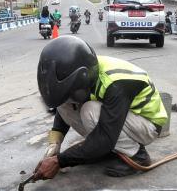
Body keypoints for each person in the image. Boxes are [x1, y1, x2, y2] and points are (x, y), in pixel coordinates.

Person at [34, 36, 169, 179]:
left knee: (90, 110)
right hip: (123, 120)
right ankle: (107, 150)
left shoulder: (117, 82)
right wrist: (54, 144)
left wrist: (59, 161)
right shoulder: (85, 67)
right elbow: (64, 108)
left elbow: (105, 136)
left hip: (147, 125)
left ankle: (138, 155)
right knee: (65, 105)